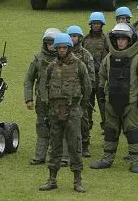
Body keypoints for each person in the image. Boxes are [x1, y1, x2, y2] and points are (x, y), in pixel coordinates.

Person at [90, 23, 138, 173]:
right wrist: (101, 91)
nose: (120, 42)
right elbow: (102, 75)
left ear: (130, 40)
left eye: (124, 39)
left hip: (130, 102)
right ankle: (107, 159)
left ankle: (136, 161)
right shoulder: (109, 58)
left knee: (132, 132)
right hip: (111, 101)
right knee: (110, 130)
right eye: (118, 39)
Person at [39, 34, 91, 193]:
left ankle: (77, 181)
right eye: (59, 48)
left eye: (64, 48)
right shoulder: (51, 66)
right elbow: (44, 87)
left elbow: (87, 87)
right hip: (55, 111)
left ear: (69, 48)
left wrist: (80, 106)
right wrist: (48, 106)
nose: (61, 50)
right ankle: (52, 179)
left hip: (73, 109)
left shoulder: (79, 65)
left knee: (75, 145)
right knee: (54, 145)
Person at [24, 27, 61, 165]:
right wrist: (28, 98)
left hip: (60, 101)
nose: (51, 46)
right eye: (48, 43)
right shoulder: (38, 59)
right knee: (42, 127)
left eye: (53, 43)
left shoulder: (65, 58)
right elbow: (29, 79)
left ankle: (62, 157)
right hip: (42, 101)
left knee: (60, 128)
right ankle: (40, 155)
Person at [67, 25, 96, 157]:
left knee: (84, 119)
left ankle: (85, 145)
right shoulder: (63, 52)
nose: (73, 38)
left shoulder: (86, 54)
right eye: (71, 36)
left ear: (79, 38)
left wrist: (86, 92)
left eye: (75, 36)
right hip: (66, 93)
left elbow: (90, 75)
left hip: (81, 94)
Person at [82, 12, 110, 134]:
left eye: (98, 23)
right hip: (88, 79)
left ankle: (107, 131)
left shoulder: (106, 39)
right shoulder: (85, 39)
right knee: (88, 106)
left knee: (104, 106)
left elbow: (110, 56)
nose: (96, 26)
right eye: (94, 23)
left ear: (102, 25)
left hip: (101, 79)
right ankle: (86, 132)